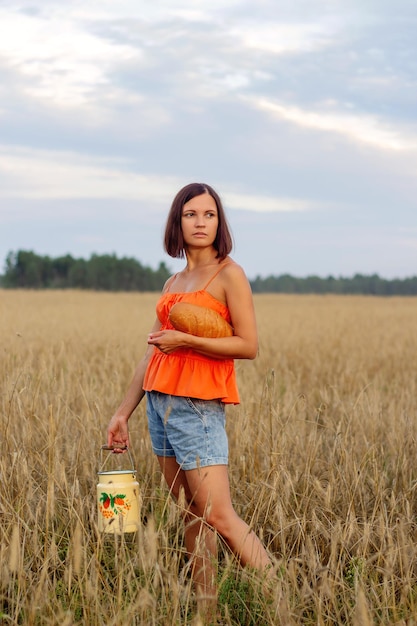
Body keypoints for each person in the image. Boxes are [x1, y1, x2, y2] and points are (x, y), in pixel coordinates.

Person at [107, 182, 272, 616]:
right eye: (191, 215)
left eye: (209, 215)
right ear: (177, 222)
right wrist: (123, 412)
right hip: (160, 405)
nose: (201, 223)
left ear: (220, 223)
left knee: (219, 515)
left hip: (196, 407)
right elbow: (153, 350)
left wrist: (187, 340)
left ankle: (283, 600)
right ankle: (206, 611)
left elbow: (249, 345)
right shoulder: (174, 280)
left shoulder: (229, 275)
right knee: (191, 514)